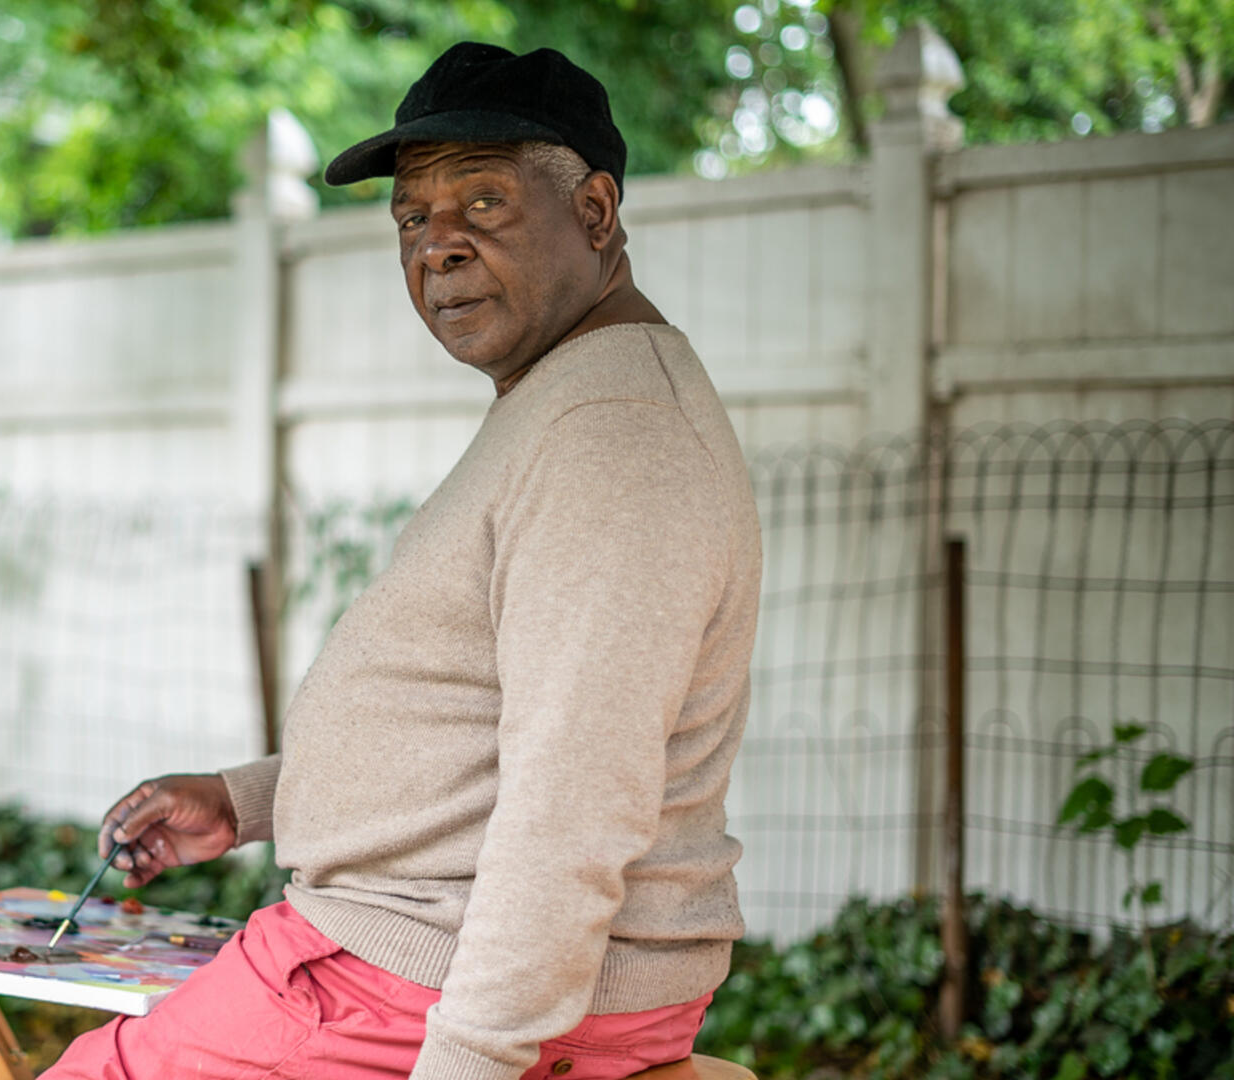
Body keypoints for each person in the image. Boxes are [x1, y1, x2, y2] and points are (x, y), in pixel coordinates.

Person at [45, 42, 762, 1080]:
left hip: (417, 991)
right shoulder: (571, 399)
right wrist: (244, 800)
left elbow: (574, 802)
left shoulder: (612, 436)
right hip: (414, 961)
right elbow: (488, 737)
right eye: (412, 219)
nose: (439, 248)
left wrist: (469, 1060)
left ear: (596, 213)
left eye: (484, 203)